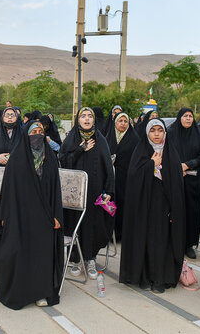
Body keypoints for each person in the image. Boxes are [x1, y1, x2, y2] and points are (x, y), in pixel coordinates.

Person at [0, 120, 64, 309]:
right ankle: (21, 292)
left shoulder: (50, 157)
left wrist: (57, 216)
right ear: (26, 135)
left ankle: (40, 292)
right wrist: (4, 216)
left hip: (44, 216)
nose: (37, 134)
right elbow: (7, 190)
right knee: (17, 249)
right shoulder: (17, 157)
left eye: (40, 131)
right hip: (19, 216)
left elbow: (56, 190)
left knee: (42, 252)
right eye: (33, 131)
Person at [119, 119, 186, 293]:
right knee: (145, 240)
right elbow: (133, 177)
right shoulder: (140, 151)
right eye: (153, 131)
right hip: (144, 206)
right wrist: (151, 165)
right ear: (147, 133)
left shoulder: (171, 153)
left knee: (162, 241)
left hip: (164, 207)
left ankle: (160, 278)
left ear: (165, 133)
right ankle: (144, 276)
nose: (156, 134)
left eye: (160, 131)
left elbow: (177, 181)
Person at [59, 107, 115, 279]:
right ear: (78, 119)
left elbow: (108, 168)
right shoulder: (71, 139)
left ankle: (90, 259)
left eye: (90, 116)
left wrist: (109, 191)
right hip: (75, 193)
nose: (87, 119)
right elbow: (63, 160)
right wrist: (80, 149)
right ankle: (76, 259)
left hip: (95, 192)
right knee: (76, 223)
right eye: (83, 116)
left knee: (93, 224)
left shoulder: (101, 140)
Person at [167, 108, 200, 259]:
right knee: (176, 210)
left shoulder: (198, 135)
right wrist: (178, 167)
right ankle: (174, 242)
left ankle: (189, 244)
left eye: (190, 116)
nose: (188, 119)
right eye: (185, 116)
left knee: (192, 212)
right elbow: (167, 153)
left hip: (194, 182)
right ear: (179, 118)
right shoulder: (171, 133)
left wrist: (188, 165)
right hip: (175, 180)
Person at [105, 112, 139, 241]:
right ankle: (109, 232)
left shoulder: (135, 139)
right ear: (115, 123)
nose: (123, 124)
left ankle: (121, 233)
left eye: (125, 121)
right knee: (110, 204)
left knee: (124, 205)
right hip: (111, 178)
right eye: (120, 121)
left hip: (126, 179)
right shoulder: (108, 137)